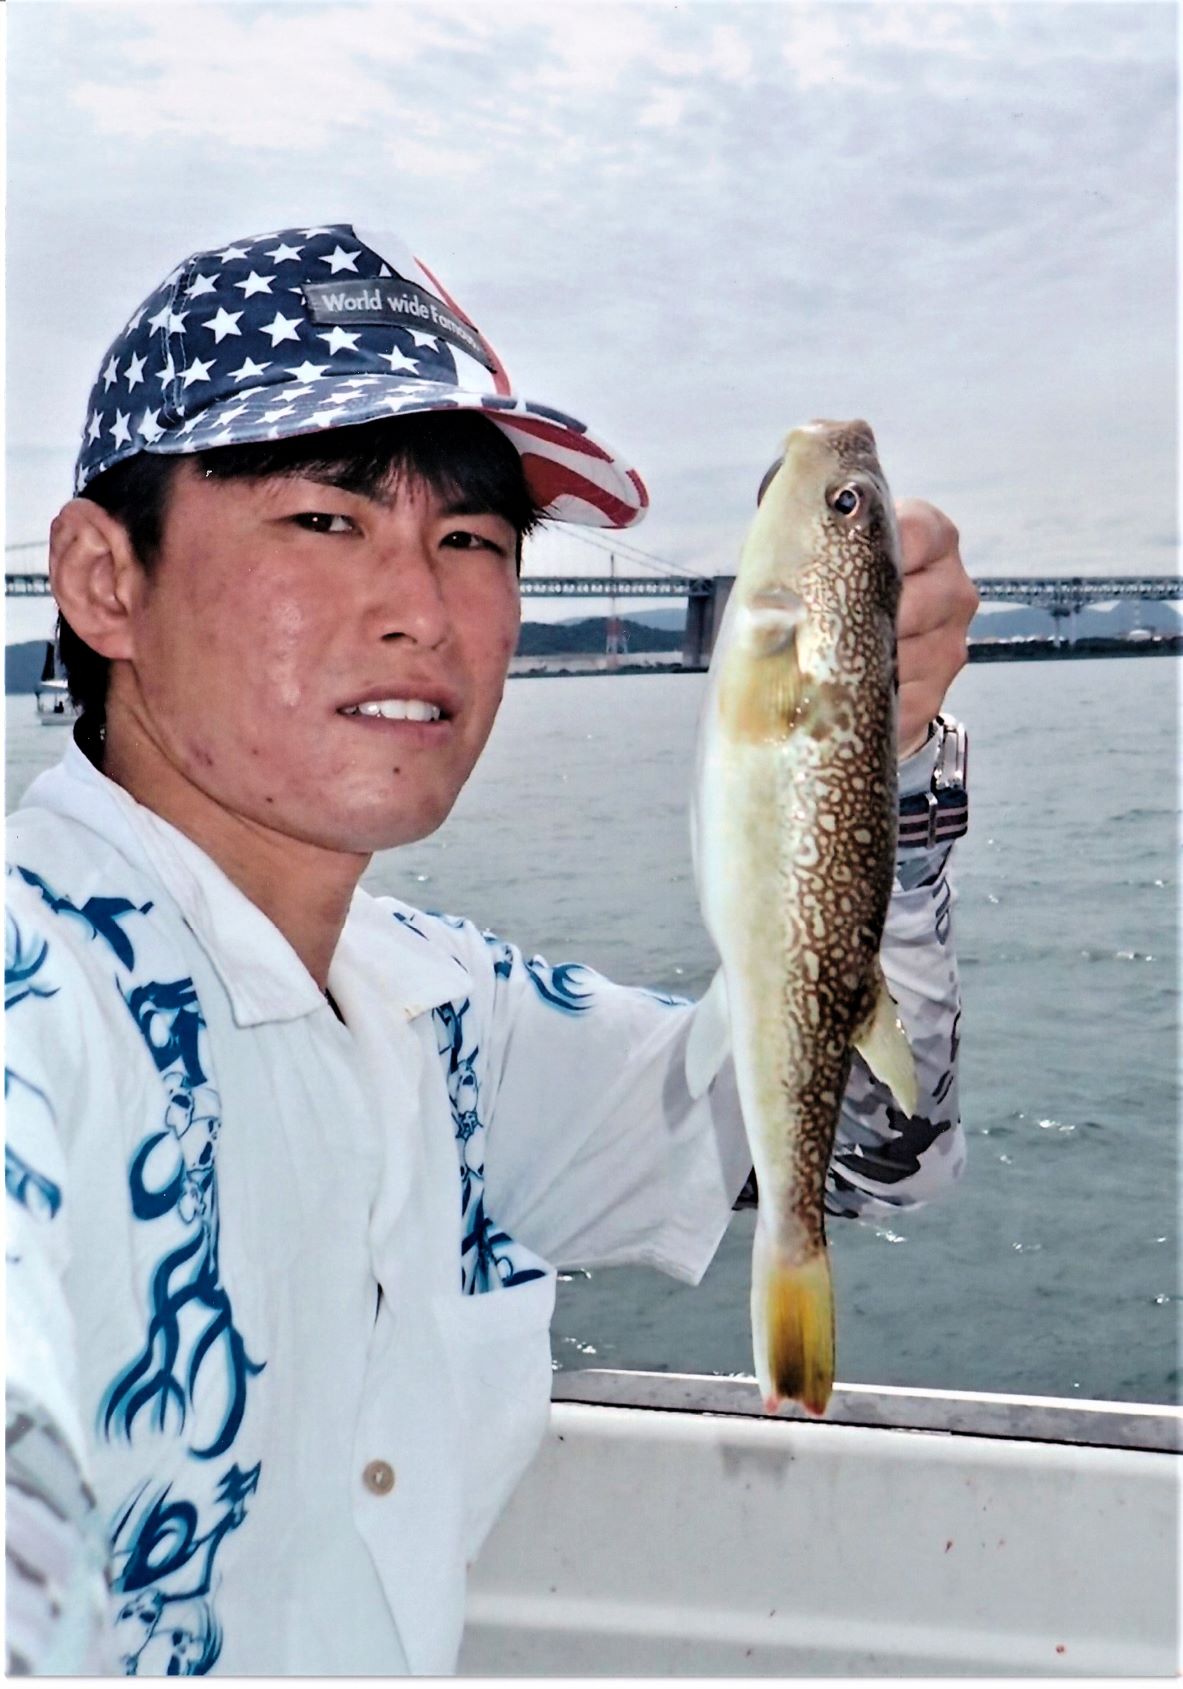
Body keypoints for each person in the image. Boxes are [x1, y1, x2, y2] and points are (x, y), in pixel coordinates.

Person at [5, 222, 976, 1676]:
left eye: (472, 541)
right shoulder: (34, 1005)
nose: (421, 610)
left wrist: (876, 774)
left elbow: (866, 1153)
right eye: (324, 520)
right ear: (104, 580)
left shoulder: (443, 1014)